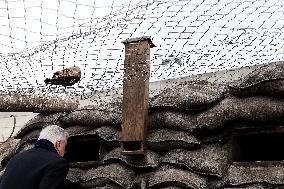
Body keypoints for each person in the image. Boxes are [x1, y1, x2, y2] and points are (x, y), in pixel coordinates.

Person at [0, 125, 69, 189]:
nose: (65, 151)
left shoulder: (17, 157)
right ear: (58, 144)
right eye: (65, 146)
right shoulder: (58, 162)